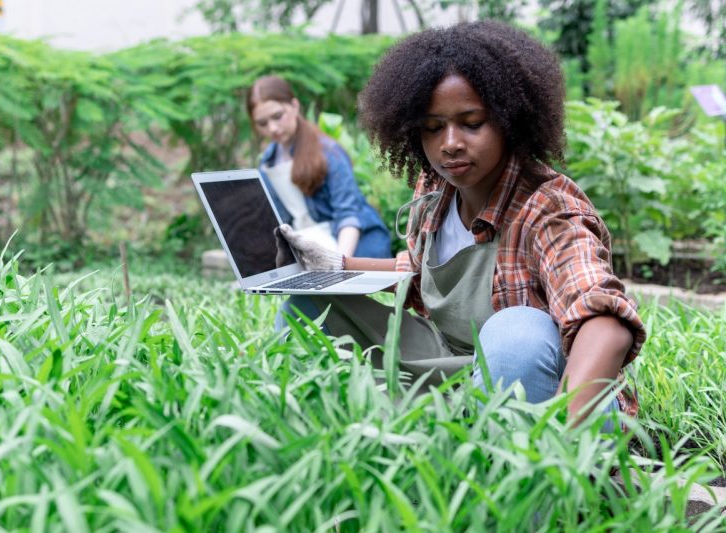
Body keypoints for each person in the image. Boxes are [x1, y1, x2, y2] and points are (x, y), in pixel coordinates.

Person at [277, 21, 646, 424]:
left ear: (510, 120)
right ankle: (332, 430)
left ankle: (520, 462)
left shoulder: (548, 210)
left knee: (516, 333)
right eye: (433, 128)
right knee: (307, 308)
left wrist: (563, 438)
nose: (450, 143)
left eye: (471, 123)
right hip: (453, 366)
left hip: (547, 391)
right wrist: (335, 266)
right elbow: (422, 275)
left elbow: (604, 320)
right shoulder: (436, 188)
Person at [246, 75, 391, 260]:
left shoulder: (329, 151)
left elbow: (348, 215)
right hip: (312, 249)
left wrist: (338, 265)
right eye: (262, 123)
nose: (273, 128)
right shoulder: (267, 163)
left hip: (357, 244)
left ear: (295, 106)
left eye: (277, 116)